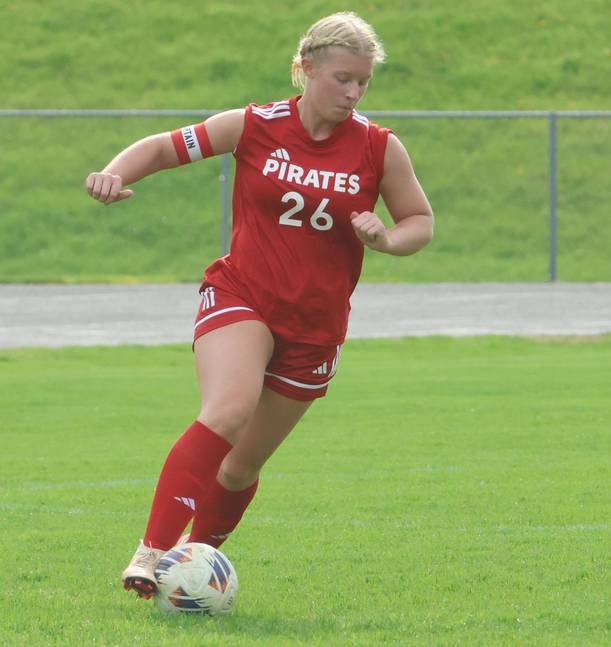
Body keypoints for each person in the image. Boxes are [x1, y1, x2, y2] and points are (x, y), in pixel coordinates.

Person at [85, 11, 434, 600]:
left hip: (316, 326)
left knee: (239, 468)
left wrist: (386, 239)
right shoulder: (253, 124)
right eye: (341, 78)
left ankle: (193, 571)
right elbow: (165, 148)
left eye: (363, 82)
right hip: (241, 295)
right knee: (228, 408)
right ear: (306, 69)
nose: (352, 92)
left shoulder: (379, 147)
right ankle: (150, 553)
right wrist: (113, 174)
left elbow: (420, 222)